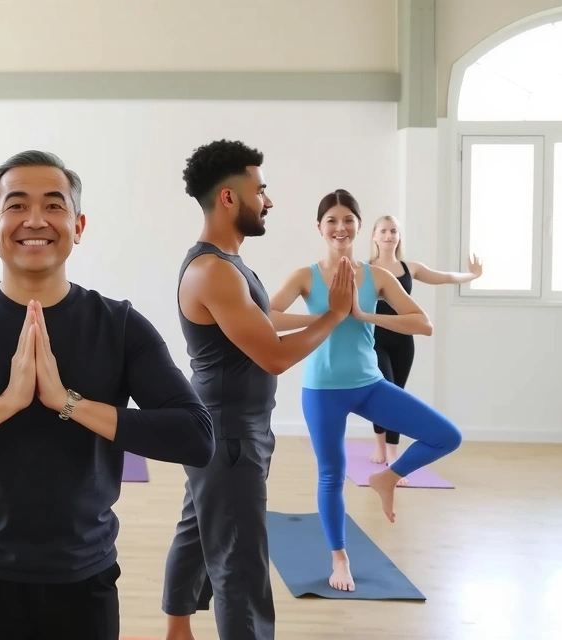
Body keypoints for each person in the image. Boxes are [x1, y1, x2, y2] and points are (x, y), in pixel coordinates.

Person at [0, 150, 216, 640]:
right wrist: (7, 402)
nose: (36, 220)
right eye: (16, 206)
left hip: (84, 577)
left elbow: (196, 437)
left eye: (55, 206)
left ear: (78, 225)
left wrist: (66, 401)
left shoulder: (118, 326)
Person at [159, 140, 354, 640]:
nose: (268, 201)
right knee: (240, 565)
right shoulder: (213, 271)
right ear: (228, 198)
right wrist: (333, 314)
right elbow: (275, 355)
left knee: (199, 531)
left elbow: (261, 319)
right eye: (260, 190)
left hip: (226, 429)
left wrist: (324, 313)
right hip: (230, 436)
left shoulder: (226, 263)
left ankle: (177, 629)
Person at [268, 189, 463, 592]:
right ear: (319, 228)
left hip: (370, 384)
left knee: (447, 435)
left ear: (359, 225)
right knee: (331, 475)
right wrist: (328, 314)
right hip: (322, 390)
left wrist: (361, 313)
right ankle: (339, 558)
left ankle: (388, 478)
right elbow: (266, 317)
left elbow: (422, 323)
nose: (340, 228)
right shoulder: (305, 276)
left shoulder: (377, 277)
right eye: (332, 221)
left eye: (348, 220)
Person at [368, 214, 482, 467]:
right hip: (375, 340)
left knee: (398, 394)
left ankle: (392, 449)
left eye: (394, 231)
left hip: (404, 342)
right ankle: (382, 447)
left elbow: (443, 277)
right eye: (384, 231)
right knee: (384, 391)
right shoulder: (365, 268)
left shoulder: (410, 268)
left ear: (399, 236)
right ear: (374, 236)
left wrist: (471, 276)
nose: (389, 236)